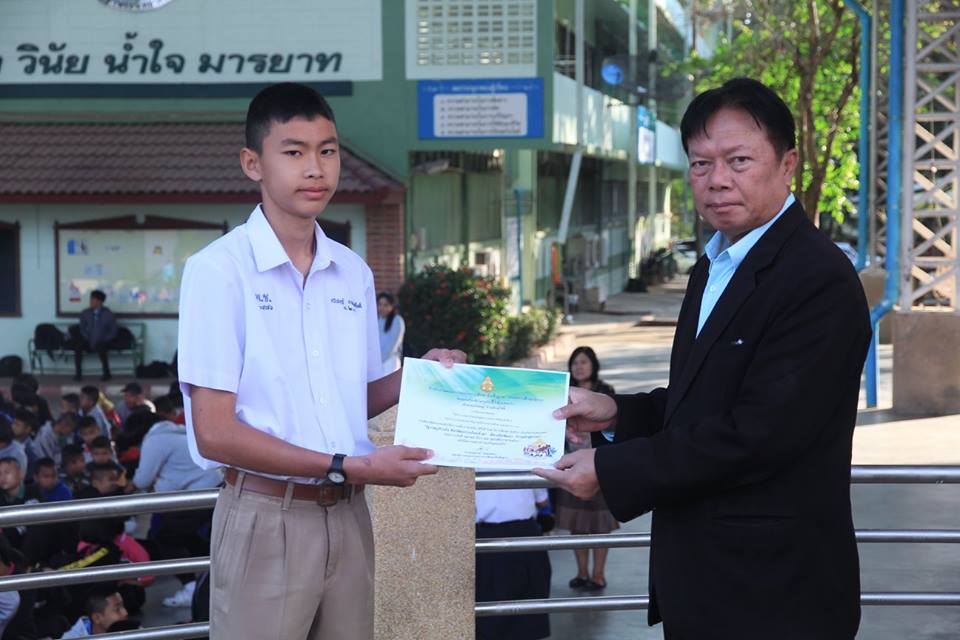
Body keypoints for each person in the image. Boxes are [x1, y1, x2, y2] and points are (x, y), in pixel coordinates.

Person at [536, 78, 871, 640]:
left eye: (739, 161)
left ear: (788, 164)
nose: (717, 180)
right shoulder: (715, 264)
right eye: (700, 164)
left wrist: (613, 470)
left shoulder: (817, 279)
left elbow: (760, 434)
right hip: (703, 582)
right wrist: (616, 413)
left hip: (775, 592)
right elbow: (705, 400)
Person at [177, 82, 465, 640]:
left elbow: (350, 399)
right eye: (294, 151)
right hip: (266, 516)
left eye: (327, 151)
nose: (315, 169)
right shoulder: (218, 271)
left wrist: (420, 376)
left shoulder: (352, 272)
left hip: (350, 514)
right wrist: (347, 466)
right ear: (252, 164)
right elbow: (214, 433)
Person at [129, 396, 222, 608]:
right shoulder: (175, 431)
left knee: (165, 537)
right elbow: (175, 474)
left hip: (200, 493)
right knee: (184, 535)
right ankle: (209, 577)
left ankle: (190, 587)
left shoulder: (154, 440)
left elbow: (142, 480)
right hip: (212, 488)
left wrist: (133, 485)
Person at [553, 346, 618, 591]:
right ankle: (582, 573)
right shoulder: (563, 394)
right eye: (575, 363)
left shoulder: (606, 393)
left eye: (583, 362)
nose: (578, 367)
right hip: (571, 465)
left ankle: (598, 575)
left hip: (600, 465)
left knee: (600, 525)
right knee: (577, 524)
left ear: (593, 365)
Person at [474, 487, 551, 640]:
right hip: (525, 533)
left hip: (486, 536)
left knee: (489, 603)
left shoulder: (470, 470)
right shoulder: (527, 468)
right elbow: (543, 501)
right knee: (530, 601)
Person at [72, 290, 118, 382]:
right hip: (88, 340)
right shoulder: (85, 313)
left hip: (103, 341)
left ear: (100, 301)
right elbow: (82, 328)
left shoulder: (108, 314)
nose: (91, 301)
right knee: (78, 348)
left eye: (93, 299)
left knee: (101, 347)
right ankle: (78, 374)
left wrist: (105, 339)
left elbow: (113, 331)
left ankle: (106, 373)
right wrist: (87, 337)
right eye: (91, 299)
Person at [60, 586, 129, 638]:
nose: (125, 613)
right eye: (117, 609)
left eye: (123, 605)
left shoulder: (130, 630)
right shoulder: (73, 637)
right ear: (97, 618)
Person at [376, 292, 405, 373]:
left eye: (386, 305)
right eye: (380, 304)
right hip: (377, 362)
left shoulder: (397, 320)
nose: (382, 308)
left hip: (390, 362)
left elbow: (392, 346)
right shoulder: (376, 320)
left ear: (392, 306)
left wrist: (379, 361)